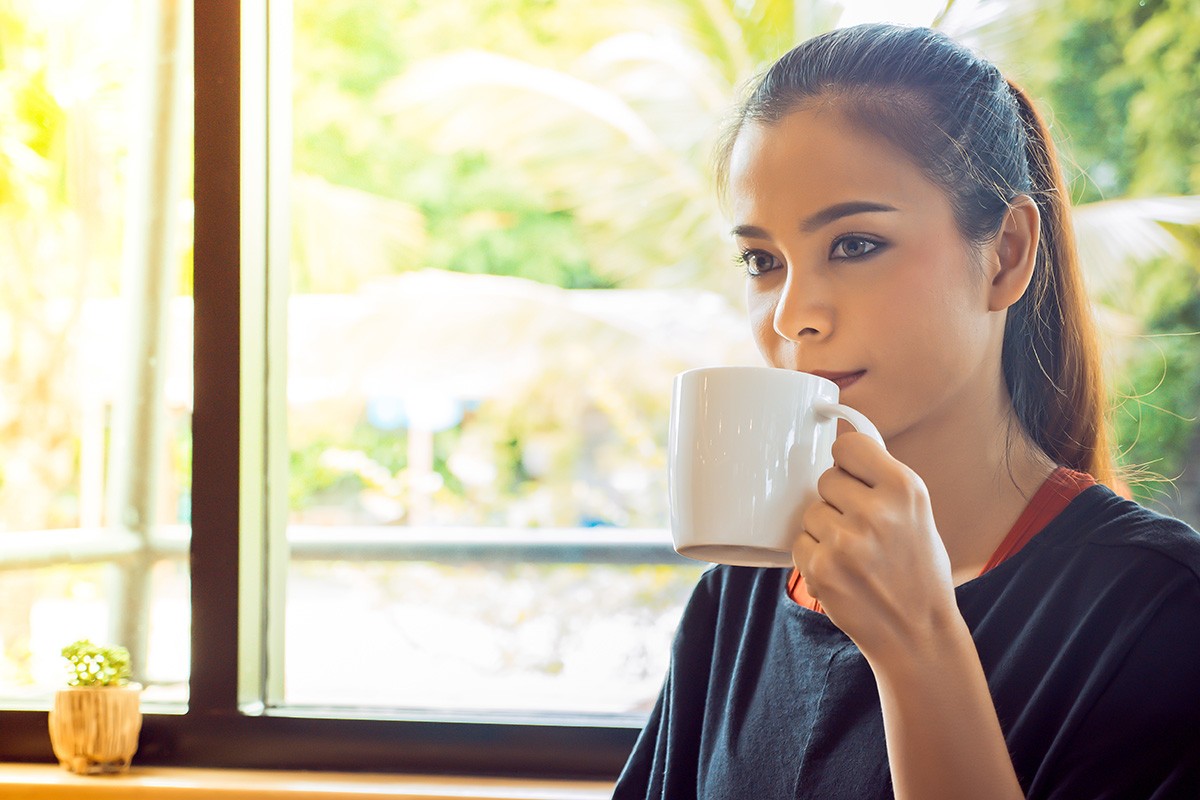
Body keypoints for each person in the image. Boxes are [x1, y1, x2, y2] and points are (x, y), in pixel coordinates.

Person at [613, 22, 1200, 800]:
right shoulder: (740, 593)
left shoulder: (1159, 611)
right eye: (762, 261)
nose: (793, 315)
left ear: (1007, 254)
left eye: (855, 244)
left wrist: (919, 648)